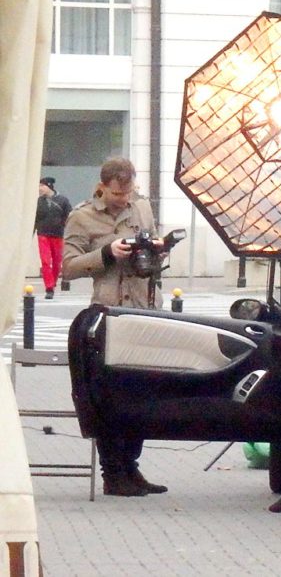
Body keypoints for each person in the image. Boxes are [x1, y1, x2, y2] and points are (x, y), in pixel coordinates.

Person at [62, 157, 167, 497]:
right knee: (112, 397)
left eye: (129, 192)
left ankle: (131, 466)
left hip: (144, 309)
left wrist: (158, 249)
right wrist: (106, 253)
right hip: (109, 315)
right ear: (103, 187)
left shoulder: (142, 208)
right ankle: (113, 471)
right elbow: (69, 267)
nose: (124, 200)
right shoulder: (82, 216)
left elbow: (154, 249)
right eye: (118, 194)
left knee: (143, 396)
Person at [34, 176, 72, 299]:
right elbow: (34, 219)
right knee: (46, 261)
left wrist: (69, 231)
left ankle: (53, 282)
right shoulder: (38, 202)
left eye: (42, 186)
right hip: (43, 234)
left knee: (57, 262)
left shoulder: (63, 200)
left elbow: (70, 216)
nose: (40, 189)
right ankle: (49, 287)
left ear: (49, 186)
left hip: (58, 235)